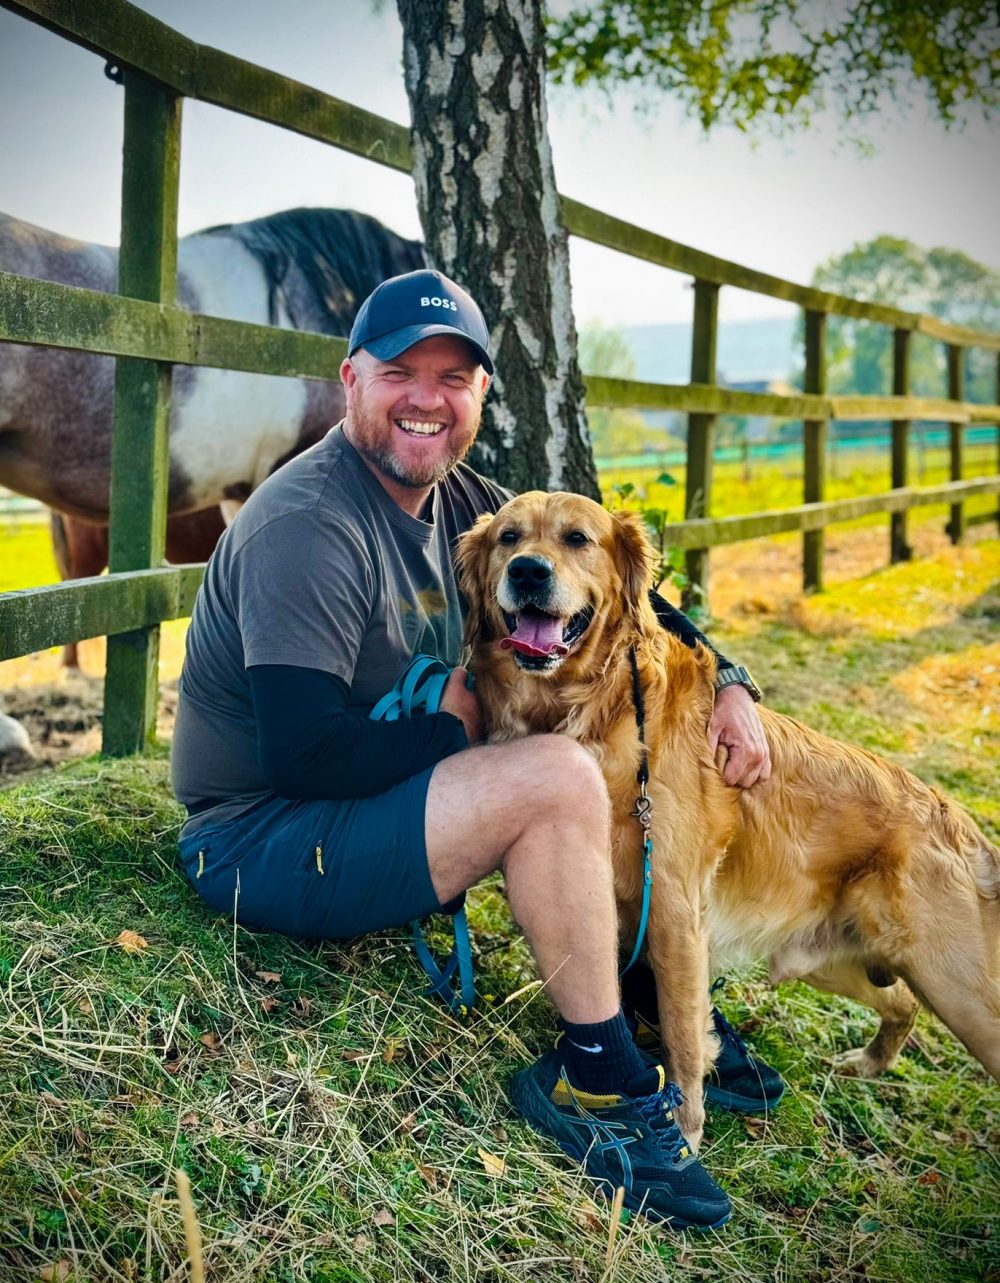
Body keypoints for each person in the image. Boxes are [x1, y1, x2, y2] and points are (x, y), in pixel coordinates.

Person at [171, 268, 781, 1230]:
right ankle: (601, 1084)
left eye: (453, 377)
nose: (427, 398)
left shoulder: (465, 500)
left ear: (480, 396)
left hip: (348, 808)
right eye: (400, 371)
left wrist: (732, 677)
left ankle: (649, 1008)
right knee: (552, 775)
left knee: (566, 765)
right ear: (350, 380)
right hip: (260, 835)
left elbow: (624, 578)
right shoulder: (308, 526)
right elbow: (298, 759)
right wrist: (455, 728)